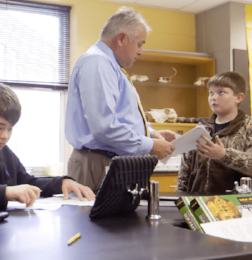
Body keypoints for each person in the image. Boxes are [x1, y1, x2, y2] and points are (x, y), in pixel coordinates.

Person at [65, 6, 178, 192]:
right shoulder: (98, 63)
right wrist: (149, 145)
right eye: (139, 44)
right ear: (122, 38)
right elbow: (104, 126)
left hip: (110, 161)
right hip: (97, 163)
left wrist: (150, 133)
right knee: (94, 221)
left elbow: (120, 116)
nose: (141, 51)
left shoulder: (110, 66)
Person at [176, 71, 252, 193]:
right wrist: (180, 197)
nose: (213, 98)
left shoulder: (250, 126)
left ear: (238, 97)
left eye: (221, 92)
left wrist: (224, 155)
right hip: (199, 204)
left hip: (236, 204)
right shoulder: (202, 127)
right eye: (211, 93)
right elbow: (185, 169)